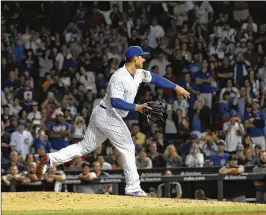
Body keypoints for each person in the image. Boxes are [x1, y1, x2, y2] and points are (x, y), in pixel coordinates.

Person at [36, 46, 190, 197]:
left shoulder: (138, 73)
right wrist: (138, 107)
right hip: (108, 114)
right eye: (141, 56)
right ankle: (133, 187)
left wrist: (177, 87)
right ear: (134, 58)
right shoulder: (119, 76)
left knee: (84, 147)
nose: (144, 58)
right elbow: (116, 102)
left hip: (104, 113)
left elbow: (155, 78)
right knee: (128, 147)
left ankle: (50, 159)